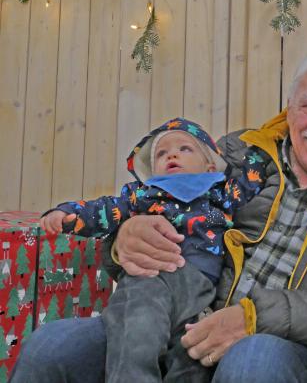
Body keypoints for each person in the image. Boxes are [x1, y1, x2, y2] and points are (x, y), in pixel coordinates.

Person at [12, 50, 307, 383]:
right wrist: (124, 239)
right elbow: (157, 210)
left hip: (285, 347)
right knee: (52, 348)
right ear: (290, 107)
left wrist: (255, 317)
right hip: (182, 317)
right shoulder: (235, 155)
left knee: (252, 361)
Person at [38, 117, 266, 383]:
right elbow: (104, 209)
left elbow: (251, 182)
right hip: (151, 277)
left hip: (200, 287)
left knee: (191, 353)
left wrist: (259, 151)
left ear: (210, 165)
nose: (172, 155)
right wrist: (68, 214)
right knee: (137, 332)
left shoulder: (219, 192)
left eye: (184, 149)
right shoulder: (144, 194)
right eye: (161, 153)